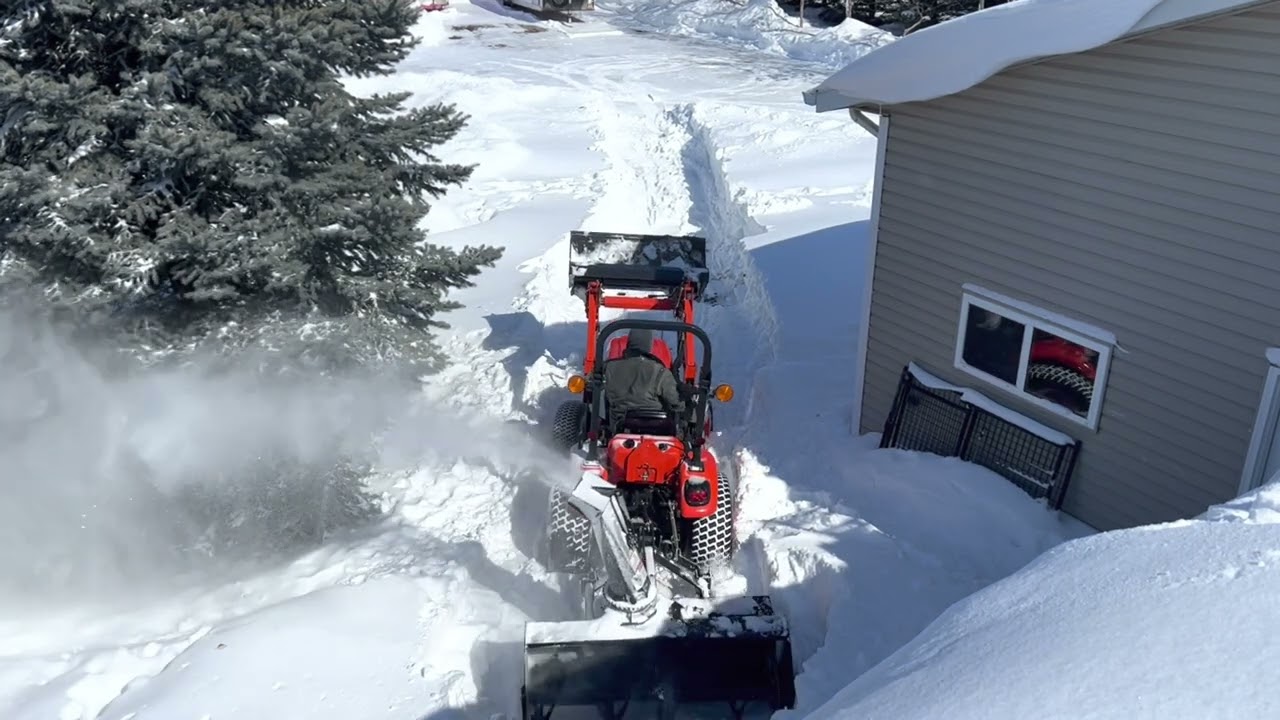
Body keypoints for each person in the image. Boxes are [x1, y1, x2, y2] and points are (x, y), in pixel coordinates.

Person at [602, 328, 684, 433]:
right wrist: (685, 403)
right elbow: (675, 401)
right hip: (657, 428)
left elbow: (595, 385)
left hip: (621, 427)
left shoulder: (609, 367)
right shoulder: (660, 371)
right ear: (649, 345)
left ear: (629, 343)